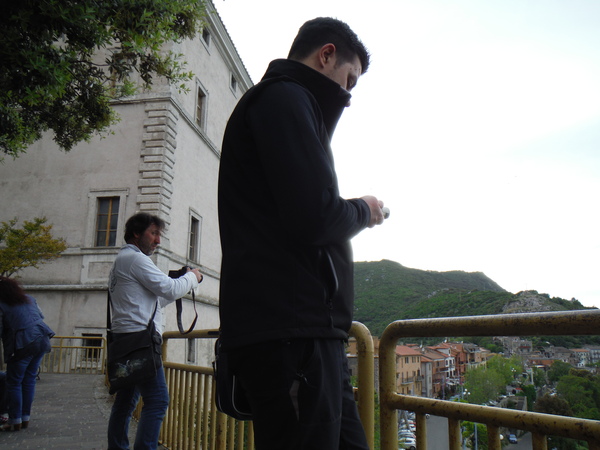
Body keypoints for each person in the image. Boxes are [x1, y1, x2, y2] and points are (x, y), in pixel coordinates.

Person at [218, 17, 386, 450]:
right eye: (349, 79)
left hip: (309, 335)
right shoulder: (283, 98)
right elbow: (316, 216)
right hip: (291, 336)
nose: (348, 95)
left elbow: (301, 210)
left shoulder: (287, 103)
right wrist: (364, 210)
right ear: (326, 55)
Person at [107, 212, 203, 450]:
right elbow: (169, 289)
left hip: (125, 339)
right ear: (136, 233)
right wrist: (192, 277)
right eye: (154, 234)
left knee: (125, 403)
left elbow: (154, 302)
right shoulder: (135, 259)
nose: (158, 241)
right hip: (140, 341)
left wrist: (179, 282)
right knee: (158, 401)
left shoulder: (122, 259)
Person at [0, 276, 54, 432]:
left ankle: (14, 420)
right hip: (41, 338)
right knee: (29, 380)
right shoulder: (29, 298)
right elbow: (40, 316)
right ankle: (25, 418)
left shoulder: (2, 304)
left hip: (23, 342)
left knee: (14, 382)